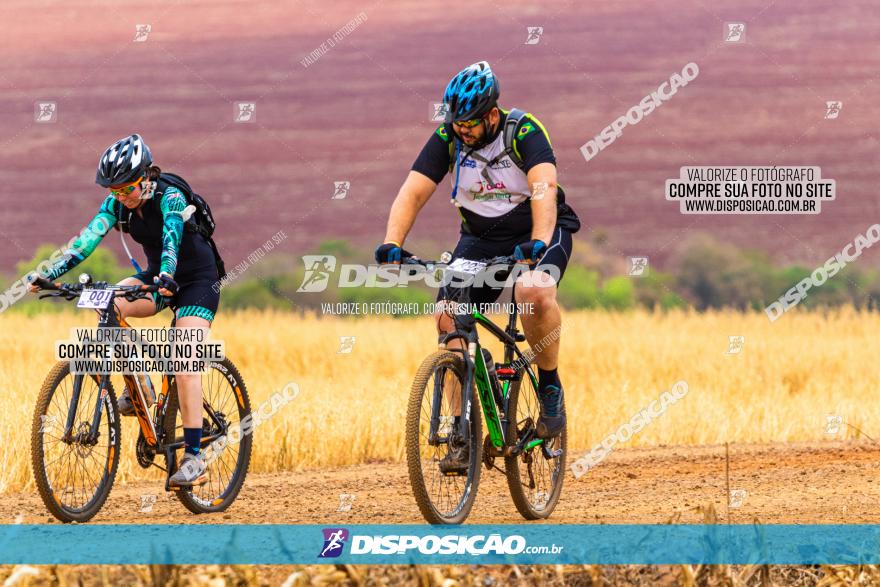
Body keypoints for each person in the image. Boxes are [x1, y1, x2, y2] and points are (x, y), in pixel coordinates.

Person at [375, 61, 581, 473]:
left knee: (533, 292)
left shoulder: (523, 132)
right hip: (480, 241)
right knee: (447, 316)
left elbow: (544, 188)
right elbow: (413, 191)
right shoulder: (448, 138)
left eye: (469, 123)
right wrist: (392, 243)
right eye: (455, 123)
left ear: (491, 114)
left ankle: (550, 385)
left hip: (537, 231)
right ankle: (459, 430)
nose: (461, 131)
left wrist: (538, 240)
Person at [29, 134, 219, 486]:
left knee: (184, 357)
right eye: (114, 191)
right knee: (108, 303)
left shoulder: (170, 197)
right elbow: (85, 241)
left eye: (127, 188)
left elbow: (171, 241)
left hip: (195, 279)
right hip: (156, 277)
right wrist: (49, 274)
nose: (122, 197)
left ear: (147, 176)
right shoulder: (116, 204)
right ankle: (143, 391)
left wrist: (166, 274)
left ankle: (195, 458)